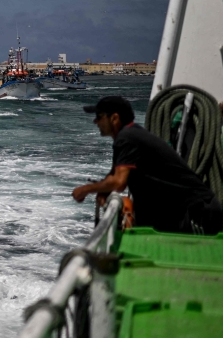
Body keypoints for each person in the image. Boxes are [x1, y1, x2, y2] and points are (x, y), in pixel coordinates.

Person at [72, 96, 222, 235]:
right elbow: (113, 174)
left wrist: (86, 190)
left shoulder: (127, 138)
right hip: (184, 212)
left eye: (99, 117)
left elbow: (118, 182)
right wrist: (103, 190)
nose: (95, 122)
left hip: (196, 215)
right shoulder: (130, 135)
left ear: (114, 118)